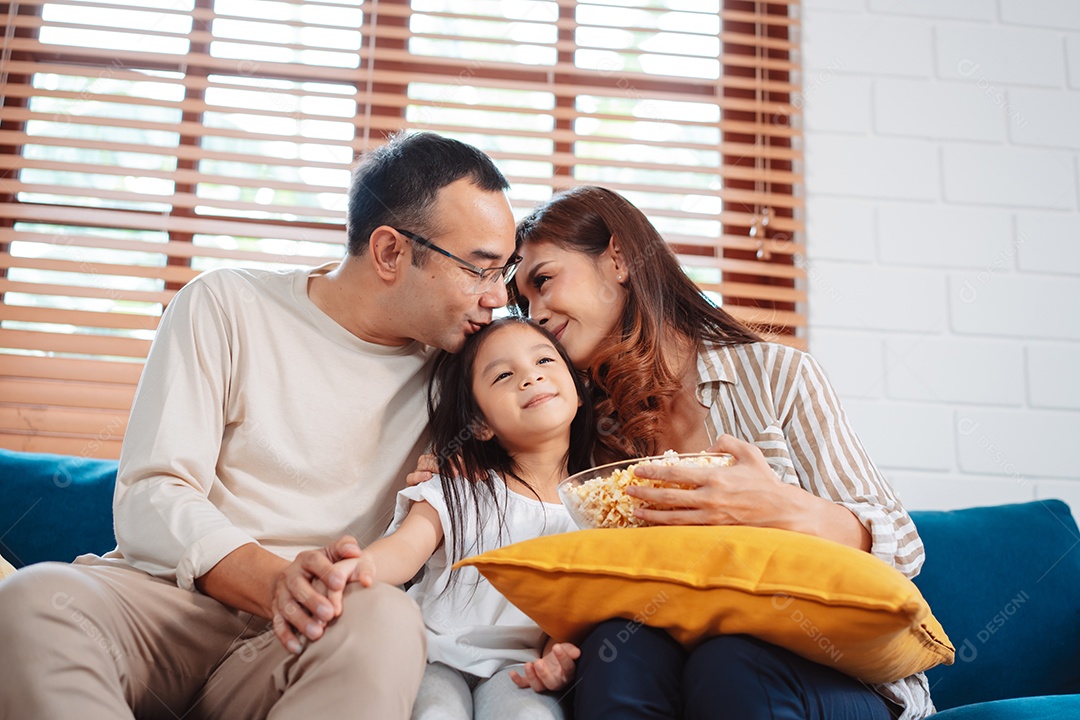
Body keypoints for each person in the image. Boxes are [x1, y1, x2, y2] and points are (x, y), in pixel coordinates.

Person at [0, 131, 520, 720]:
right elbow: (151, 491)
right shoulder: (225, 304)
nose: (497, 297)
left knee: (386, 618)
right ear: (390, 253)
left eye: (507, 270)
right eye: (479, 270)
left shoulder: (470, 374)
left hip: (305, 641)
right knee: (30, 602)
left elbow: (564, 440)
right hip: (168, 607)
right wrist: (273, 580)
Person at [508, 185, 932, 720]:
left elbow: (905, 549)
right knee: (616, 651)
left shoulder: (779, 375)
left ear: (617, 258)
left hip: (827, 671)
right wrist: (560, 648)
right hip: (679, 662)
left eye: (543, 281)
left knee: (733, 661)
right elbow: (595, 579)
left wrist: (778, 508)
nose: (536, 313)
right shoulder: (593, 432)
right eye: (524, 302)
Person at [342, 317, 590, 719]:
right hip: (432, 654)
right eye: (504, 375)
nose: (530, 377)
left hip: (518, 669)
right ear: (480, 425)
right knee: (436, 712)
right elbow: (406, 548)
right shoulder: (457, 486)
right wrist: (356, 567)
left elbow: (570, 615)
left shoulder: (594, 514)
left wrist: (554, 657)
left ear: (579, 394)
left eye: (544, 360)